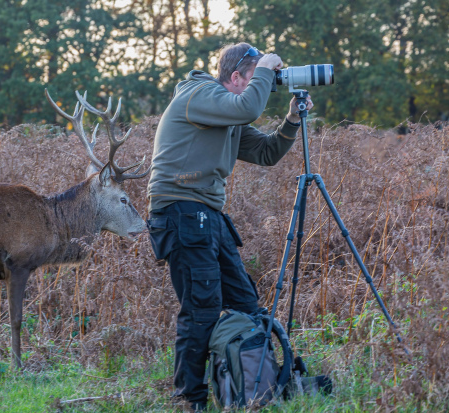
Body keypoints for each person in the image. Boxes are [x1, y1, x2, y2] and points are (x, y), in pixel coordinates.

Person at [146, 43, 314, 411]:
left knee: (245, 304)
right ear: (235, 77)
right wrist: (269, 67)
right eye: (257, 79)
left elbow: (267, 153)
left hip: (208, 217)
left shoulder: (229, 114)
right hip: (181, 211)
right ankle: (190, 400)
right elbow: (249, 106)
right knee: (201, 309)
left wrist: (291, 120)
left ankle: (248, 385)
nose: (264, 89)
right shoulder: (200, 95)